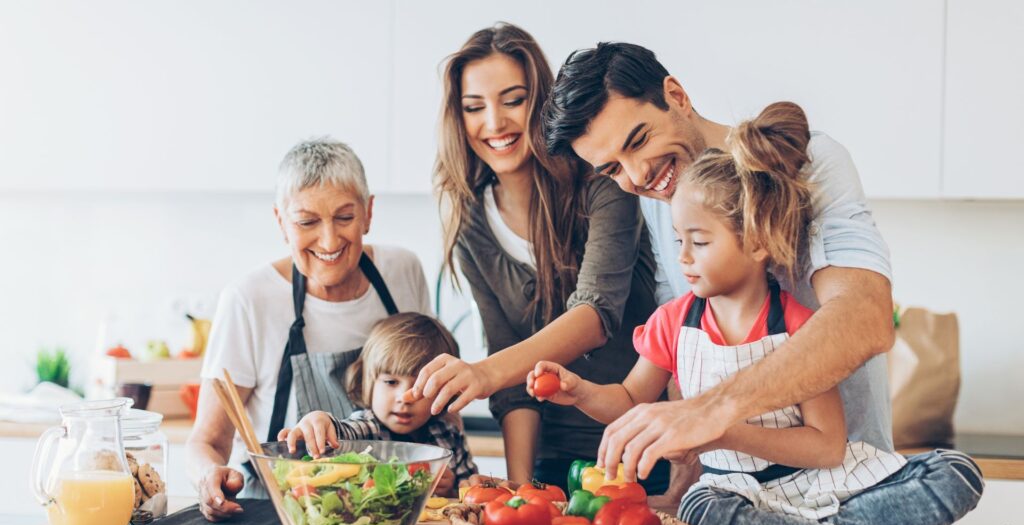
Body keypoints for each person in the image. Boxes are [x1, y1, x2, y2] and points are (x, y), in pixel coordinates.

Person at [529, 102, 982, 525]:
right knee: (703, 513)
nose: (682, 258)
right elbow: (629, 400)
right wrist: (579, 392)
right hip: (736, 494)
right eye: (678, 240)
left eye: (699, 242)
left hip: (819, 485)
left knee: (957, 473)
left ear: (758, 241)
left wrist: (722, 430)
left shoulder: (801, 329)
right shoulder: (672, 323)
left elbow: (828, 447)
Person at [543, 42, 901, 485]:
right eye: (612, 169)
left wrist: (712, 413)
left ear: (676, 95)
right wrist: (684, 482)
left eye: (638, 141)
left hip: (849, 478)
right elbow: (682, 355)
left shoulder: (812, 162)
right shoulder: (662, 199)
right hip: (735, 488)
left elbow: (866, 317)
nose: (637, 177)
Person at [406, 24, 664, 492]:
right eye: (474, 107)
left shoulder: (603, 180)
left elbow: (595, 315)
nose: (494, 122)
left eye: (513, 100)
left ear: (541, 103)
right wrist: (523, 490)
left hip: (643, 448)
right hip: (553, 461)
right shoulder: (470, 223)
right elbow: (509, 376)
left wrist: (483, 373)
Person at [187, 138, 432, 521]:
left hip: (389, 514)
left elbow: (436, 399)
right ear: (281, 222)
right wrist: (208, 478)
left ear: (369, 213)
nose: (330, 240)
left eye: (345, 217)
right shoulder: (249, 299)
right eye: (307, 222)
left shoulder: (403, 272)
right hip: (280, 518)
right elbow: (207, 440)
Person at [276, 312, 478, 497]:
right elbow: (342, 432)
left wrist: (452, 489)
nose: (404, 398)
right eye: (391, 382)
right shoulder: (367, 427)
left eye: (420, 387)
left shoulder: (449, 434)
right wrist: (320, 420)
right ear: (368, 382)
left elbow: (471, 492)